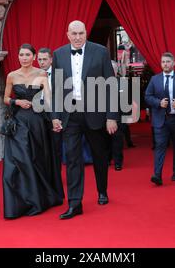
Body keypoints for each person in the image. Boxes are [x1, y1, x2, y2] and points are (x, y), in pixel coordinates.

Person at [51, 20, 118, 219]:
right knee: (72, 159)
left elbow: (111, 85)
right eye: (74, 33)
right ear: (67, 34)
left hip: (96, 114)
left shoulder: (100, 52)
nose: (78, 37)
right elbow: (56, 89)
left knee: (100, 156)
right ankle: (75, 203)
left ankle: (102, 191)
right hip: (70, 115)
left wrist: (111, 117)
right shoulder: (59, 54)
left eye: (81, 33)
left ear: (86, 33)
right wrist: (55, 116)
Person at [2, 43, 63, 219]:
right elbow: (6, 98)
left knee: (37, 158)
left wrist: (54, 119)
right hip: (19, 121)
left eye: (27, 55)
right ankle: (23, 201)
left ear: (34, 57)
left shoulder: (41, 74)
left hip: (37, 121)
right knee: (21, 159)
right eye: (21, 55)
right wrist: (17, 102)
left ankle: (39, 198)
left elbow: (48, 99)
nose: (24, 58)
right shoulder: (12, 76)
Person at [145, 52, 175, 185]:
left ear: (174, 63)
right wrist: (158, 103)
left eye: (168, 61)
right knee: (160, 146)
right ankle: (157, 174)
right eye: (163, 62)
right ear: (161, 64)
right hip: (160, 119)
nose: (165, 64)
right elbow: (147, 96)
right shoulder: (155, 79)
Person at [38, 48, 63, 167]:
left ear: (51, 60)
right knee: (40, 145)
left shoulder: (59, 74)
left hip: (55, 113)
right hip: (38, 114)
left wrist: (57, 116)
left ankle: (56, 175)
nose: (42, 62)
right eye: (39, 59)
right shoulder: (33, 74)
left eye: (44, 59)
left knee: (55, 145)